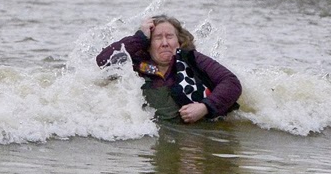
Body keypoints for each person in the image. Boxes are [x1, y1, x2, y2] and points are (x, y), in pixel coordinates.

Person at [96, 15, 242, 123]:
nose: (165, 43)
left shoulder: (192, 59)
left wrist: (205, 107)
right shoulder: (137, 64)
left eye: (170, 37)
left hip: (198, 134)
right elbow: (103, 61)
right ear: (148, 44)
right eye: (158, 37)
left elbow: (231, 82)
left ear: (179, 41)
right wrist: (139, 38)